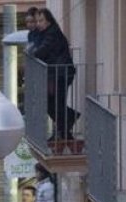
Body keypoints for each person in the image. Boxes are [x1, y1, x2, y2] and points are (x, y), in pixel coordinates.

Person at [31, 9, 79, 140]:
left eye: (41, 21)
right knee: (53, 103)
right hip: (56, 74)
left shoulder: (52, 33)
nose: (39, 24)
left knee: (56, 103)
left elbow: (42, 51)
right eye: (37, 21)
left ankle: (63, 129)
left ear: (48, 21)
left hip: (61, 73)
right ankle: (65, 127)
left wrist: (32, 53)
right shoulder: (46, 33)